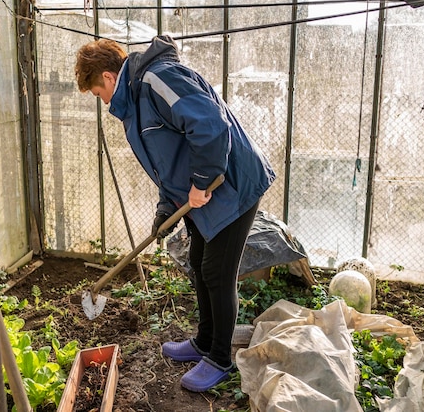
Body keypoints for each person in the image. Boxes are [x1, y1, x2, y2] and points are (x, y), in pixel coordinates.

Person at [75, 35, 275, 392]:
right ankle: (203, 341)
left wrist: (201, 181)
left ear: (107, 77)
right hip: (204, 196)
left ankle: (219, 358)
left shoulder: (158, 79)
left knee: (216, 270)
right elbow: (167, 163)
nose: (102, 101)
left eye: (96, 92)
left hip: (231, 186)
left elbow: (211, 126)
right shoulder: (135, 104)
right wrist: (166, 208)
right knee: (198, 262)